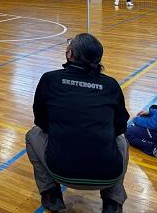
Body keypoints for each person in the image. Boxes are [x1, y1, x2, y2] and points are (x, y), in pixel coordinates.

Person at [26, 34, 129, 213]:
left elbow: (40, 121)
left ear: (70, 54)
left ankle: (51, 194)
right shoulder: (110, 84)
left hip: (60, 171)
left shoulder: (50, 79)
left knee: (32, 135)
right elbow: (120, 127)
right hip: (108, 175)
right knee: (121, 141)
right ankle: (113, 201)